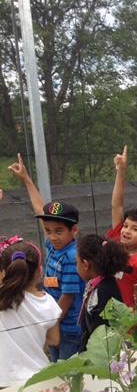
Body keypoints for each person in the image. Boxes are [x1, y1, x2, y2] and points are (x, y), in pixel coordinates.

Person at [8, 154, 84, 360]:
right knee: (54, 367)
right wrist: (26, 179)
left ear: (74, 230)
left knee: (68, 371)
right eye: (48, 230)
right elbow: (39, 208)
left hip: (68, 326)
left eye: (58, 231)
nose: (52, 236)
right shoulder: (52, 245)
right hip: (54, 320)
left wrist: (51, 321)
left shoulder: (71, 256)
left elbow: (68, 295)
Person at [0, 241, 61, 387]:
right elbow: (54, 340)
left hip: (4, 382)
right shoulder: (48, 303)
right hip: (38, 379)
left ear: (3, 273)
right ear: (39, 272)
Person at [106, 145, 137, 307]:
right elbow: (116, 206)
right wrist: (121, 171)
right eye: (125, 226)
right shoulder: (116, 244)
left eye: (135, 229)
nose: (126, 231)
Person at [76, 235, 129, 351]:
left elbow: (99, 329)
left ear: (85, 264)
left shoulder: (102, 291)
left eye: (77, 262)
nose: (77, 267)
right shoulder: (103, 284)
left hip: (105, 354)